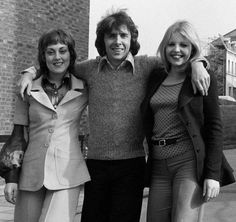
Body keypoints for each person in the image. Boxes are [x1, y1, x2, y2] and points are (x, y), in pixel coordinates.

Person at [18, 10, 210, 222]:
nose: (117, 41)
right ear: (103, 40)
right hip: (96, 165)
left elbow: (177, 56)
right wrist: (28, 72)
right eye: (111, 36)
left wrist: (198, 63)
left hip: (131, 165)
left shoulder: (147, 66)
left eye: (123, 36)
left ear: (131, 39)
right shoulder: (88, 69)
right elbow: (56, 63)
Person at [140, 20, 235, 222]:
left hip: (188, 163)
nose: (176, 50)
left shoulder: (202, 77)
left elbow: (215, 127)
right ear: (164, 47)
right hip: (158, 164)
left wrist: (212, 174)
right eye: (171, 44)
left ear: (192, 48)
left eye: (183, 45)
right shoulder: (156, 76)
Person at [3, 29, 90, 222]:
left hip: (68, 173)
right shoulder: (26, 89)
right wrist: (11, 177)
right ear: (43, 56)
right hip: (31, 173)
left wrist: (29, 70)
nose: (57, 57)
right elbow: (18, 135)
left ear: (71, 54)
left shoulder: (84, 87)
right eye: (50, 52)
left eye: (62, 50)